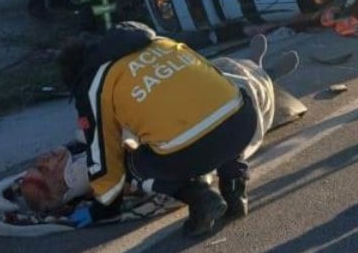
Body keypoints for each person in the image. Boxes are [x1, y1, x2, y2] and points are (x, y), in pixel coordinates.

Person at [57, 22, 293, 238]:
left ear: (79, 76)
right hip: (244, 122)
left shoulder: (94, 86)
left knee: (131, 163)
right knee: (216, 114)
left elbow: (104, 155)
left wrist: (102, 208)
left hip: (195, 148)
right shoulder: (161, 43)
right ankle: (234, 188)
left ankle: (200, 198)